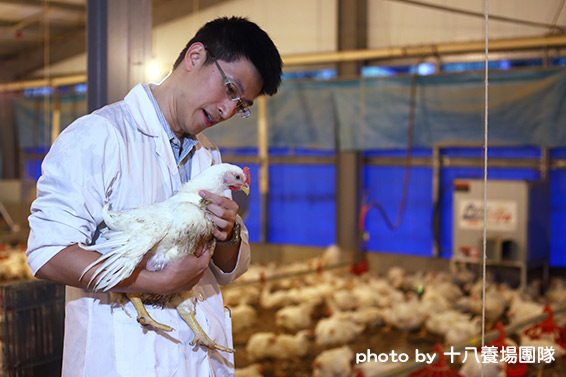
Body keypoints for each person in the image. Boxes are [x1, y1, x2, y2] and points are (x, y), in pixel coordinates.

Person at [26, 16, 282, 377]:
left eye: (241, 105)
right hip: (123, 359)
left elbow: (223, 272)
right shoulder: (99, 136)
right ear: (195, 57)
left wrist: (229, 234)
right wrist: (153, 282)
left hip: (196, 357)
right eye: (229, 89)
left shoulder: (209, 157)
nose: (228, 110)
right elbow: (47, 253)